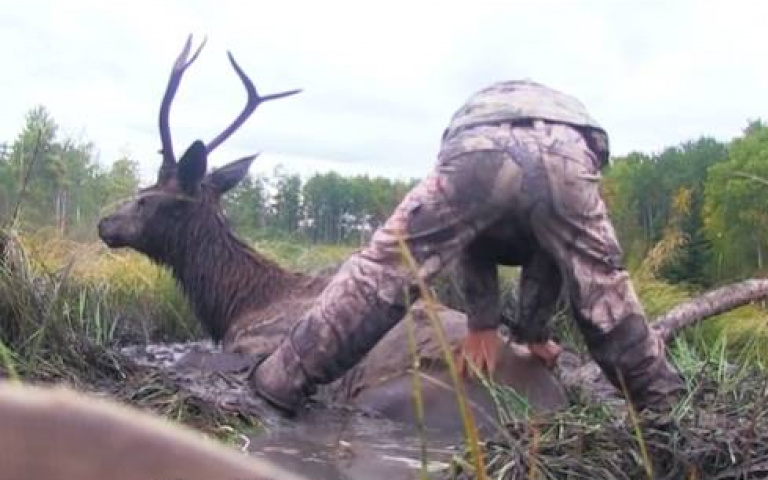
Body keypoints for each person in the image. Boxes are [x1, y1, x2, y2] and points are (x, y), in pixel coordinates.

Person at [248, 79, 685, 416]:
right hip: (570, 147)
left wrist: (483, 325)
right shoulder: (564, 122)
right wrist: (529, 333)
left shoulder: (481, 120)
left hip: (476, 144)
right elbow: (553, 256)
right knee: (604, 289)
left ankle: (277, 383)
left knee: (383, 270)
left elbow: (465, 237)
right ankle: (667, 414)